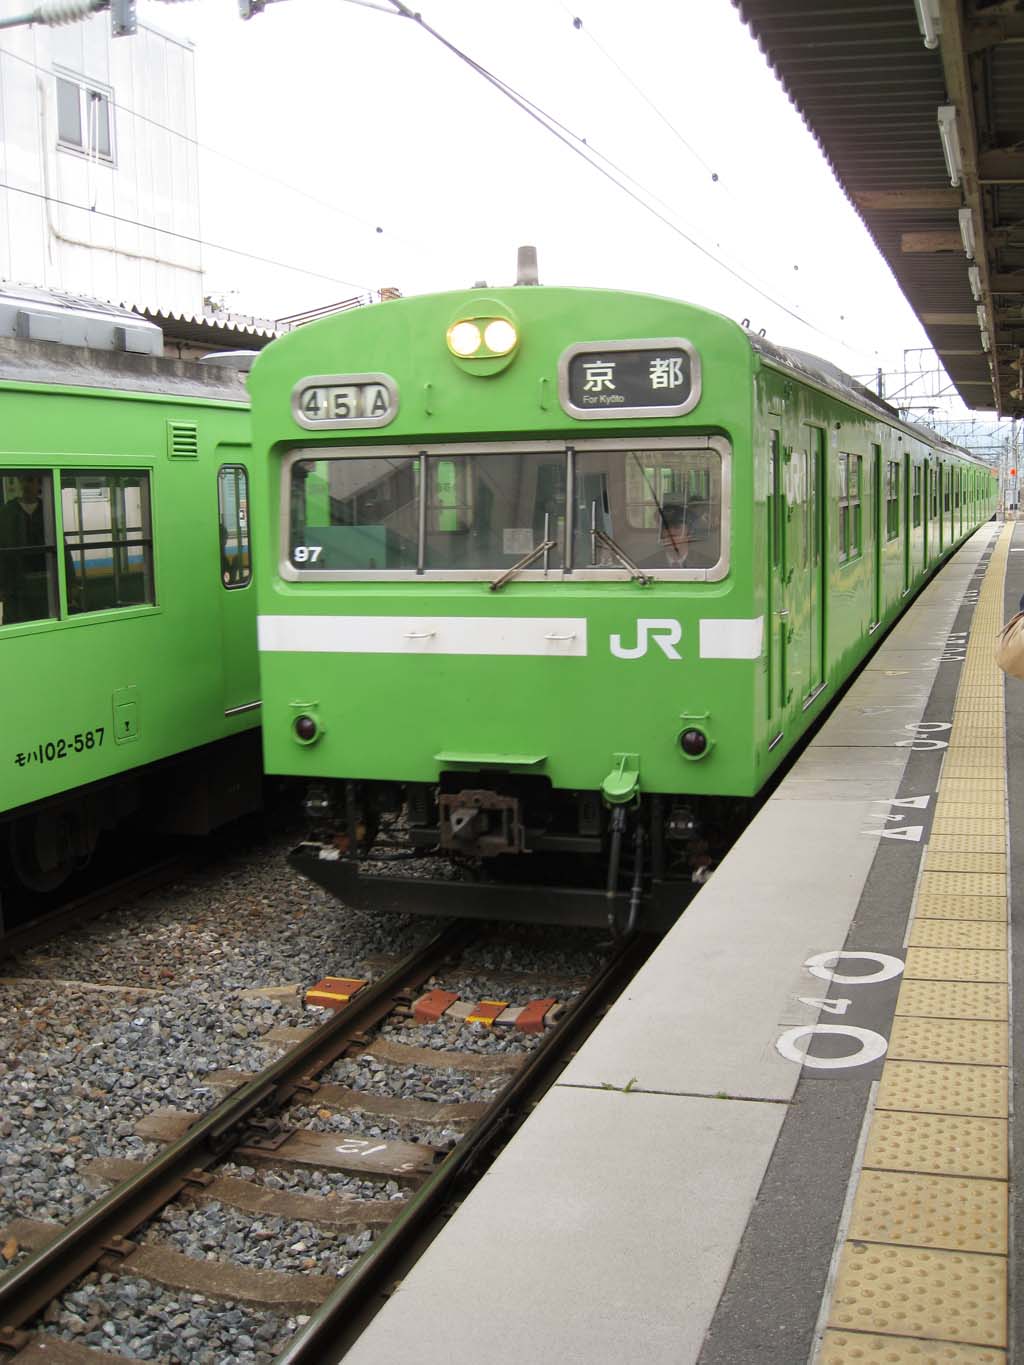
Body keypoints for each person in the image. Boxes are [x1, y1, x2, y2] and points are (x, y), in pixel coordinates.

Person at [0, 475, 52, 624]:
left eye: (31, 480)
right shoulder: (6, 512)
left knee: (44, 622)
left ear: (39, 485)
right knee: (16, 622)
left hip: (45, 584)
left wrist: (70, 582)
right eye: (23, 480)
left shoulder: (48, 510)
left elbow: (61, 548)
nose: (26, 485)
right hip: (14, 584)